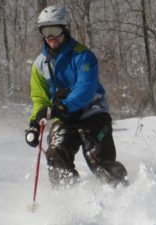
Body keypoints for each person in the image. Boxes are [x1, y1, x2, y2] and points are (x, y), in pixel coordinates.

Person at [25, 5, 127, 187]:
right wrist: (35, 122)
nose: (51, 37)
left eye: (55, 30)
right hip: (65, 118)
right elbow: (40, 98)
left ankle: (122, 193)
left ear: (65, 29)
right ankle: (69, 199)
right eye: (46, 31)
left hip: (92, 113)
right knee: (56, 153)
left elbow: (86, 89)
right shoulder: (39, 65)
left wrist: (62, 106)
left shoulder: (83, 56)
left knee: (99, 162)